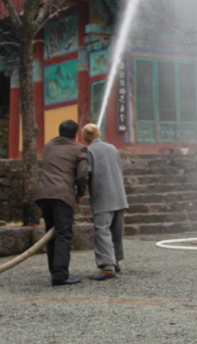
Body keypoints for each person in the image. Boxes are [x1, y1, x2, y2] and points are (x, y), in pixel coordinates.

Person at [36, 119, 88, 286]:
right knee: (64, 233)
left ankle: (54, 270)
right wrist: (80, 194)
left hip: (43, 194)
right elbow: (82, 175)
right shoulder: (79, 149)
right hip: (62, 195)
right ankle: (60, 274)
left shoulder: (49, 145)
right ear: (76, 134)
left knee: (50, 234)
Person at [81, 123, 128, 281]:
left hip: (103, 196)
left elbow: (86, 173)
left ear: (85, 137)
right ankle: (116, 261)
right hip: (119, 195)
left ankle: (107, 266)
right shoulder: (112, 148)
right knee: (116, 231)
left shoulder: (88, 152)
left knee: (102, 231)